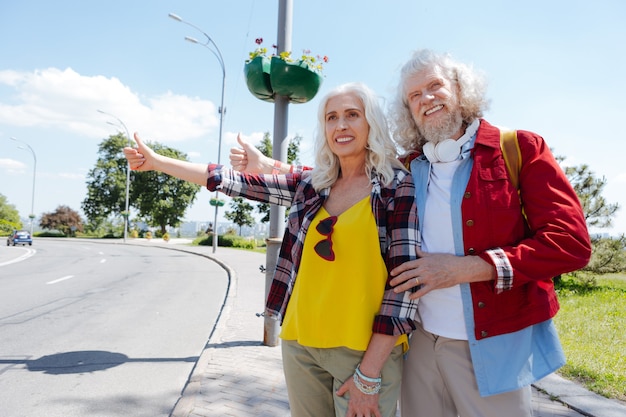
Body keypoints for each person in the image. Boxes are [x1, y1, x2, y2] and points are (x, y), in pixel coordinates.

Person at [229, 50, 592, 417]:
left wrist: (463, 268)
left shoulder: (519, 149)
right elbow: (342, 175)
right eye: (414, 96)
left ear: (461, 89)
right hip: (417, 343)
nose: (426, 100)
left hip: (490, 344)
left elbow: (570, 244)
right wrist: (266, 166)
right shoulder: (406, 167)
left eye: (435, 86)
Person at [124, 82, 420, 417]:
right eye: (331, 117)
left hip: (365, 351)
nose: (340, 125)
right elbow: (228, 180)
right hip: (300, 344)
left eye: (352, 115)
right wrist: (158, 162)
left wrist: (369, 374)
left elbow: (404, 289)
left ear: (371, 123)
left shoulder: (398, 186)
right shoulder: (312, 184)